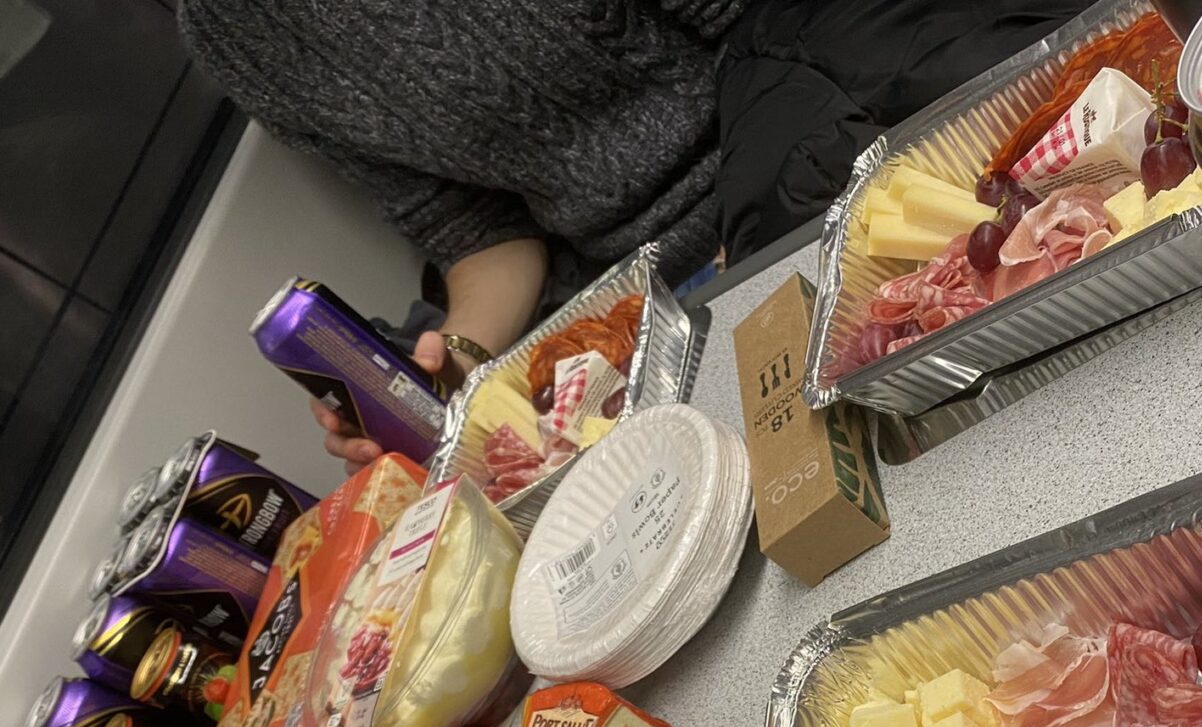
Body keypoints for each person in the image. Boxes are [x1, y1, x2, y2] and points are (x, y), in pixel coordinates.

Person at [182, 0, 1089, 473]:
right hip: (650, 282)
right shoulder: (230, 35)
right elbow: (475, 231)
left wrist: (742, 255)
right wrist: (453, 362)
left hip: (794, 86)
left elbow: (749, 20)